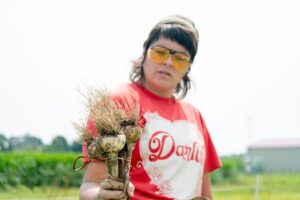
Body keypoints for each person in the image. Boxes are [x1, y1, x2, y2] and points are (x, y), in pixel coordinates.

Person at [79, 15, 222, 200]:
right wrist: (100, 195)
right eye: (160, 52)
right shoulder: (119, 103)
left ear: (188, 68)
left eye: (180, 58)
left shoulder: (194, 116)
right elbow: (90, 185)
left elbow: (204, 192)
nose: (168, 62)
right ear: (144, 53)